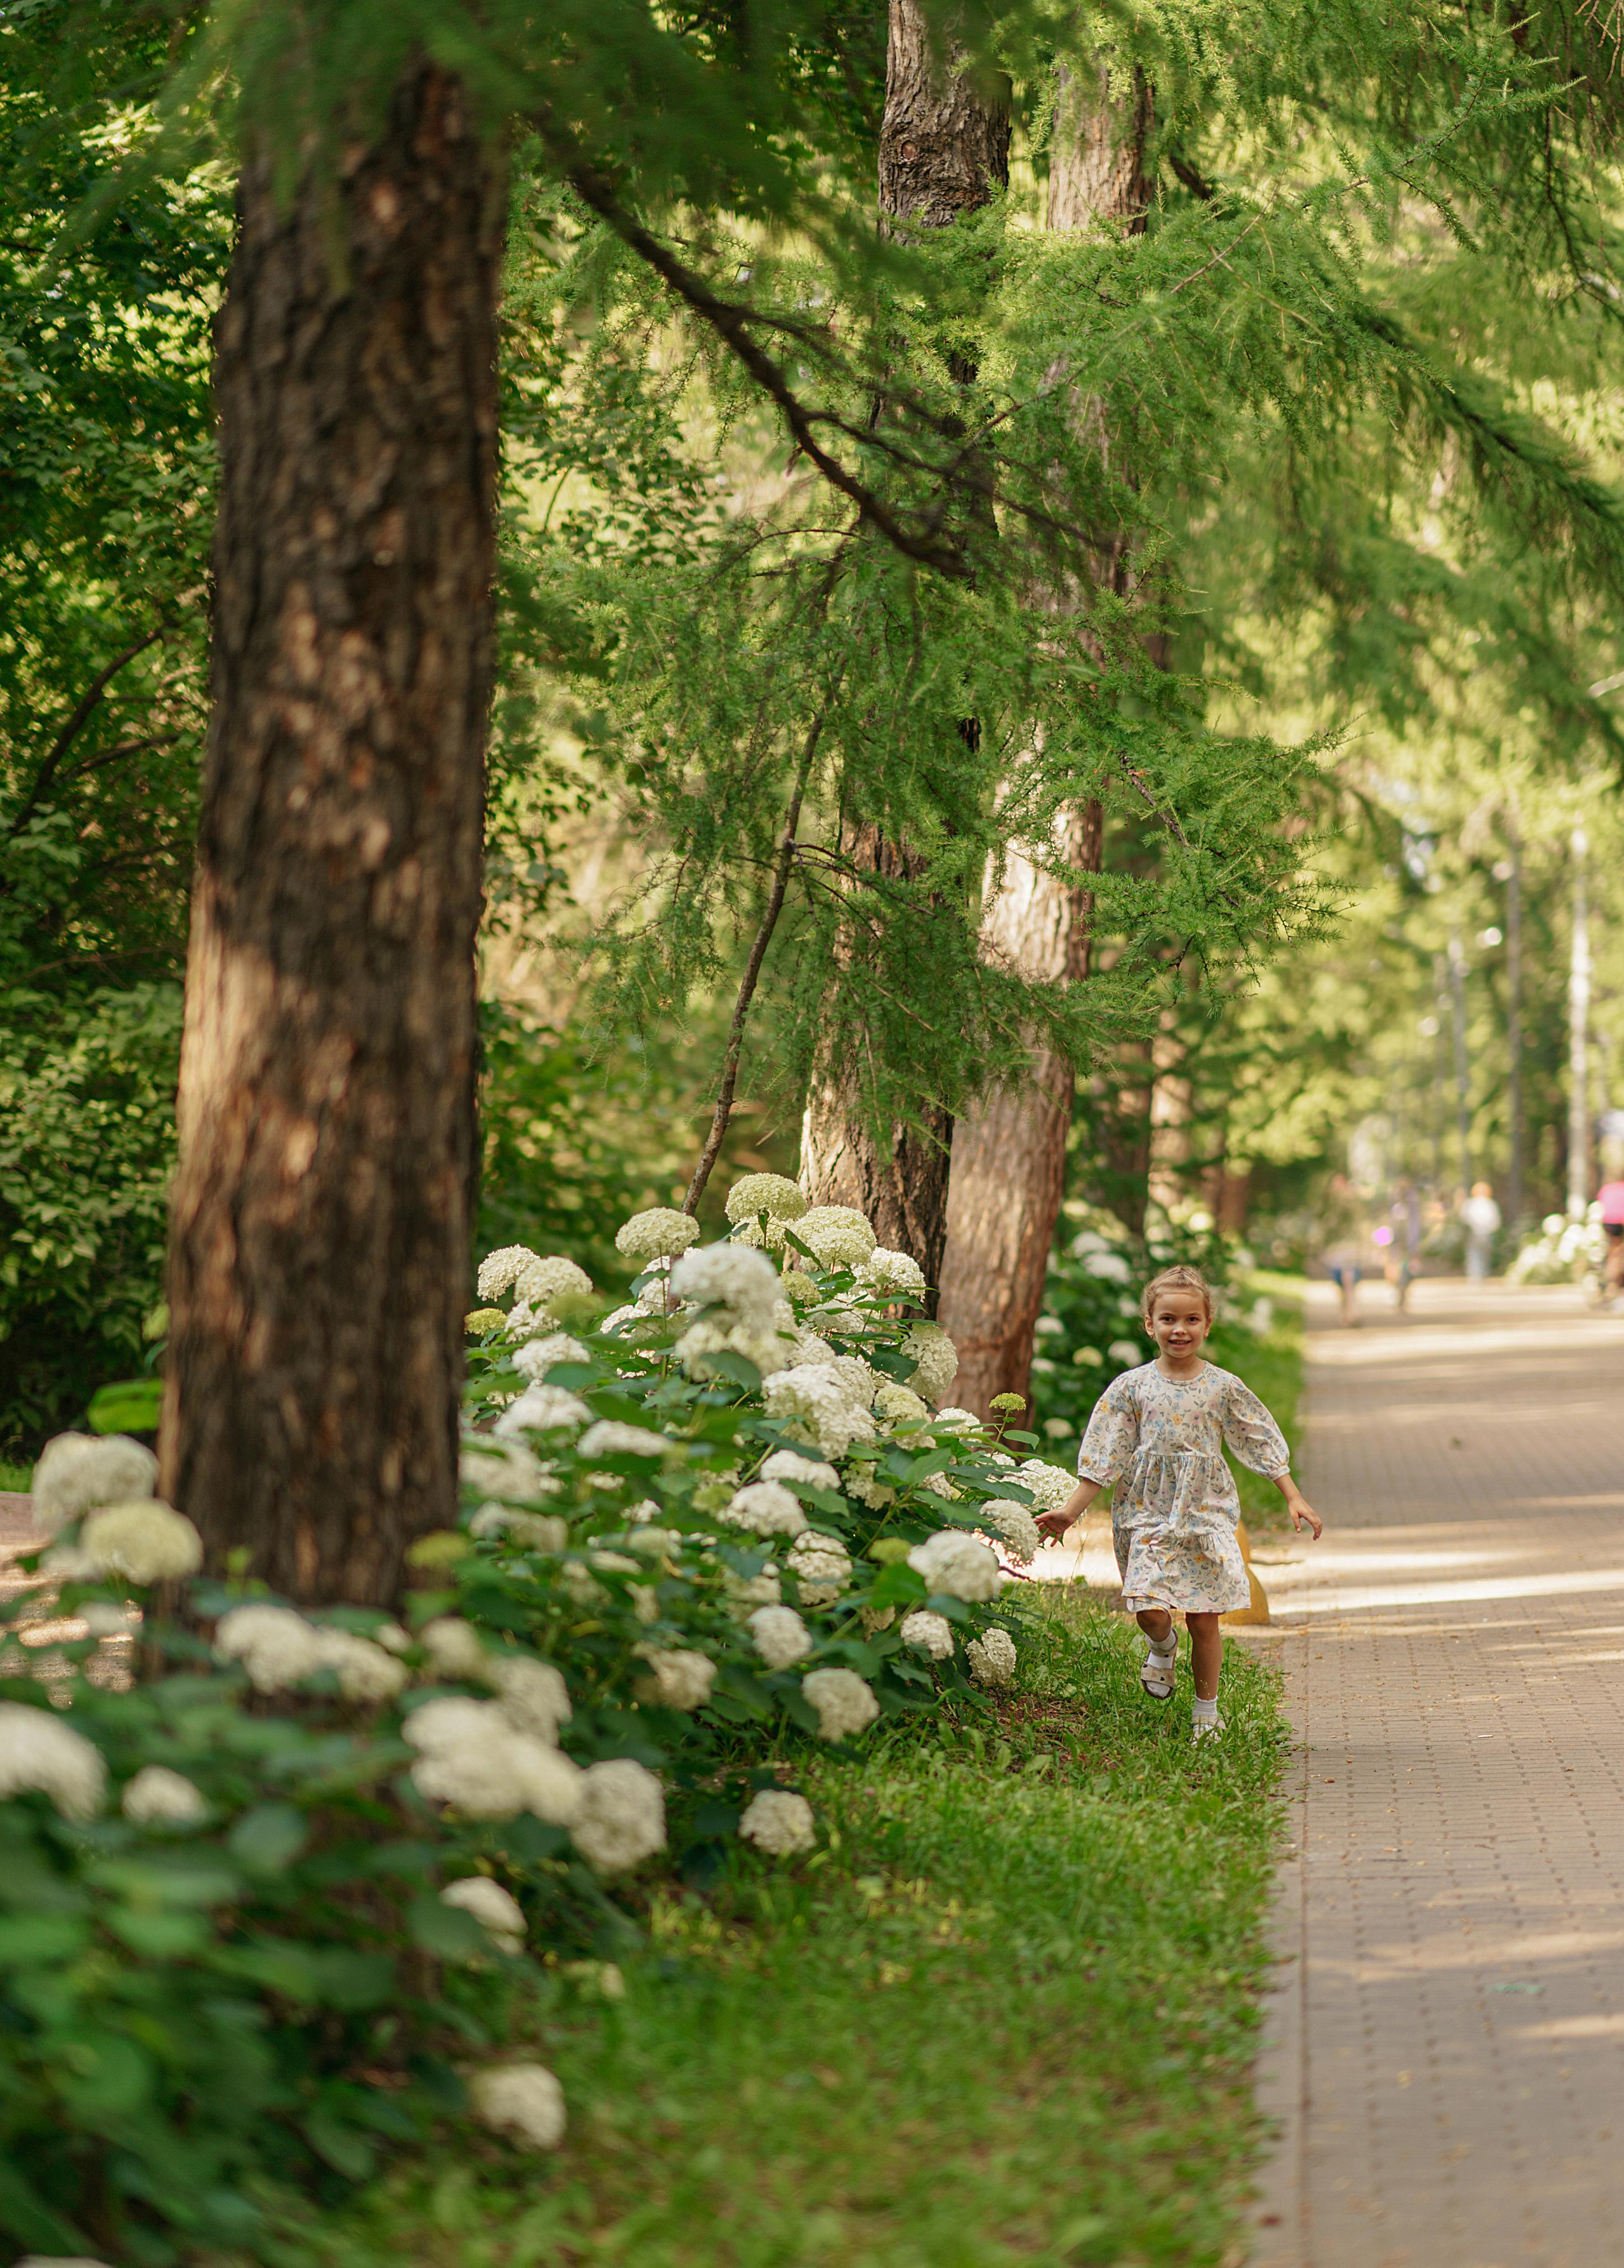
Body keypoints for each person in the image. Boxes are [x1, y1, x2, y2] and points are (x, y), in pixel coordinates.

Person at [1035, 1264, 1323, 1742]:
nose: (1180, 1329)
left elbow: (1257, 1438)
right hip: (1145, 1508)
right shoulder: (1132, 1387)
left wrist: (1292, 1494)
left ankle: (1205, 1711)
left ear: (1207, 1324)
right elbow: (1106, 1452)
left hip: (1204, 1511)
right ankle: (1163, 1645)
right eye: (1168, 1318)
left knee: (1204, 1616)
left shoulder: (1223, 1386)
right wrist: (1072, 1509)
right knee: (1146, 1602)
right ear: (1149, 1324)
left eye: (1191, 1319)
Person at [1460, 1181, 1501, 1283]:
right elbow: (1496, 1221)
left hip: (1474, 1232)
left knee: (1474, 1254)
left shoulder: (1470, 1203)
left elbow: (1464, 1218)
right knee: (1485, 1254)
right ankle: (1483, 1274)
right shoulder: (1491, 1204)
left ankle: (1475, 1275)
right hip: (1486, 1233)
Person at [1599, 1173, 1624, 1299]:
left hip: (1607, 1223)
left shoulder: (1607, 1189)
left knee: (1613, 1250)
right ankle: (1614, 1282)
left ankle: (1608, 1281)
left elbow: (1602, 1205)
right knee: (1617, 1252)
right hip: (1619, 1223)